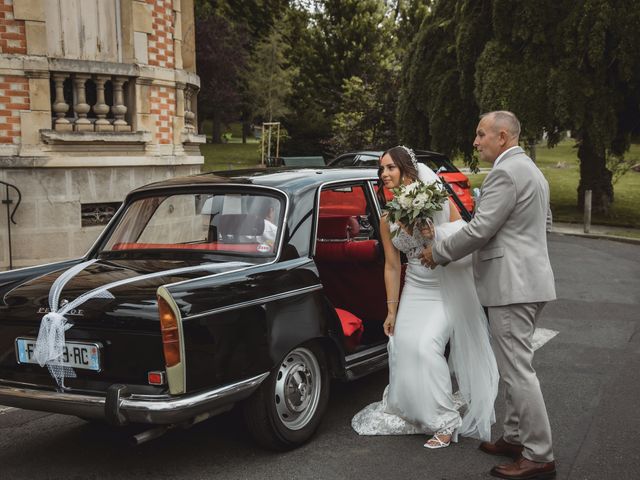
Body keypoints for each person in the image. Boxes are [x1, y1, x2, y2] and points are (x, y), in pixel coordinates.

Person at [422, 111, 557, 479]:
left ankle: (539, 454)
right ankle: (514, 436)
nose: (476, 141)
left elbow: (481, 229)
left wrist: (440, 252)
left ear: (502, 136)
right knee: (516, 366)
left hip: (512, 286)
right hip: (530, 280)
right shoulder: (531, 169)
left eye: (481, 134)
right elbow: (544, 225)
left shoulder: (505, 172)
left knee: (517, 372)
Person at [351, 146, 499, 449]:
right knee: (402, 344)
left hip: (445, 286)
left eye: (390, 168)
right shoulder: (387, 217)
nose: (384, 175)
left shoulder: (436, 201)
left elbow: (464, 234)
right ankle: (414, 411)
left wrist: (436, 237)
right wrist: (391, 310)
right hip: (415, 286)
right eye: (381, 170)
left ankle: (444, 421)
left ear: (407, 169)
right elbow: (392, 266)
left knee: (426, 346)